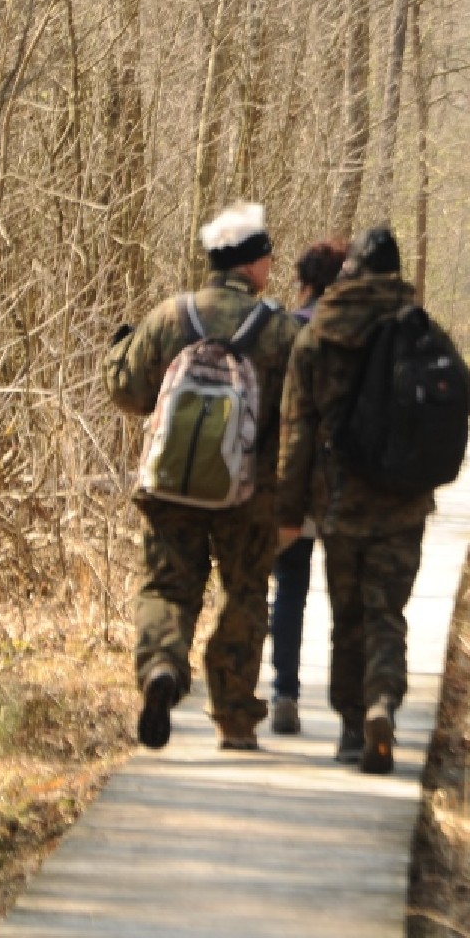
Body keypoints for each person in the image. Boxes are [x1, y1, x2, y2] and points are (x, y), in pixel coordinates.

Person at [275, 226, 470, 773]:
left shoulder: (319, 334)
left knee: (348, 615)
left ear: (352, 272)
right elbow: (466, 392)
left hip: (339, 502)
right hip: (404, 503)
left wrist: (288, 510)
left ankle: (350, 729)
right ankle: (382, 701)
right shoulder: (417, 325)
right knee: (386, 611)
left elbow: (296, 431)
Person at [106, 202, 299, 752]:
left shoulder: (172, 317)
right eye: (267, 257)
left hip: (171, 487)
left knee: (168, 585)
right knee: (244, 595)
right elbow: (301, 419)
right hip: (249, 497)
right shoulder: (279, 330)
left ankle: (162, 666)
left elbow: (128, 393)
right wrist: (298, 497)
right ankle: (234, 718)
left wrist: (118, 349)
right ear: (253, 263)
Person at [269, 240, 348, 736]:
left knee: (290, 588)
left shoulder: (285, 331)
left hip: (293, 481)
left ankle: (285, 692)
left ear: (303, 283)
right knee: (347, 596)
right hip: (347, 487)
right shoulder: (358, 334)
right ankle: (352, 709)